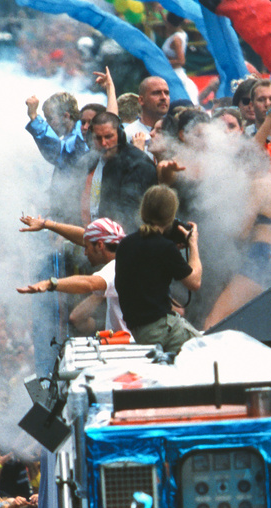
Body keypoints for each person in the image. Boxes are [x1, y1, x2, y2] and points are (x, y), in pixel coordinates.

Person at [113, 185, 202, 356]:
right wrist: (193, 244)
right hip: (160, 328)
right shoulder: (165, 248)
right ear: (171, 216)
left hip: (139, 330)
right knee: (204, 352)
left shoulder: (125, 244)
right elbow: (194, 282)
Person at [15, 216, 126, 334]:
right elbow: (86, 237)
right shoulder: (129, 252)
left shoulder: (118, 266)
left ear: (100, 246)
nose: (85, 252)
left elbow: (90, 283)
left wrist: (50, 283)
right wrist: (46, 224)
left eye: (86, 247)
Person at [78, 112, 157, 227]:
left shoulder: (138, 164)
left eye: (109, 137)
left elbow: (130, 216)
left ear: (120, 135)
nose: (104, 143)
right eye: (98, 138)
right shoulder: (89, 162)